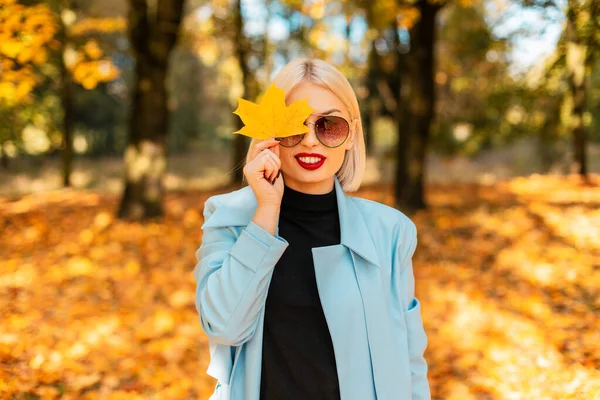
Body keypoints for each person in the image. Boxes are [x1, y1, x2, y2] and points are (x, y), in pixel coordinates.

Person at [193, 58, 430, 400]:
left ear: (352, 135)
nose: (309, 141)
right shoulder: (226, 217)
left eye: (329, 125)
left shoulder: (391, 233)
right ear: (270, 133)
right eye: (293, 126)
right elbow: (224, 327)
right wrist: (265, 213)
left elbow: (409, 357)